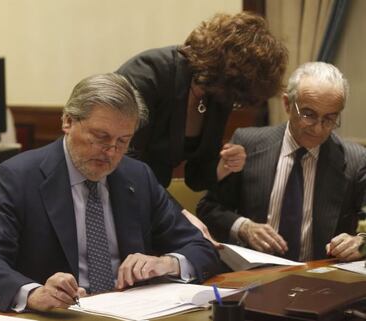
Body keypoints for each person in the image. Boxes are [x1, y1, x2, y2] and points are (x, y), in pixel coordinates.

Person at [0, 73, 224, 312]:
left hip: (128, 313)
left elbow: (202, 248)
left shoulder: (137, 176)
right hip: (56, 317)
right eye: (101, 137)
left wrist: (167, 263)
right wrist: (35, 293)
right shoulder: (20, 176)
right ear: (68, 121)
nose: (111, 152)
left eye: (123, 141)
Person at [117, 12, 288, 244]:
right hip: (115, 202)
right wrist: (179, 213)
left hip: (150, 208)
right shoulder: (148, 74)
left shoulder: (218, 93)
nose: (233, 103)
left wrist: (222, 166)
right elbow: (124, 164)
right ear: (224, 71)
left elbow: (196, 177)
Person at [197, 62, 366, 262]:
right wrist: (243, 227)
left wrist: (362, 244)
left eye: (330, 118)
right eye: (308, 115)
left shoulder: (355, 159)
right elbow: (208, 209)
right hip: (255, 275)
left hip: (322, 276)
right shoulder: (247, 144)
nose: (319, 129)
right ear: (287, 104)